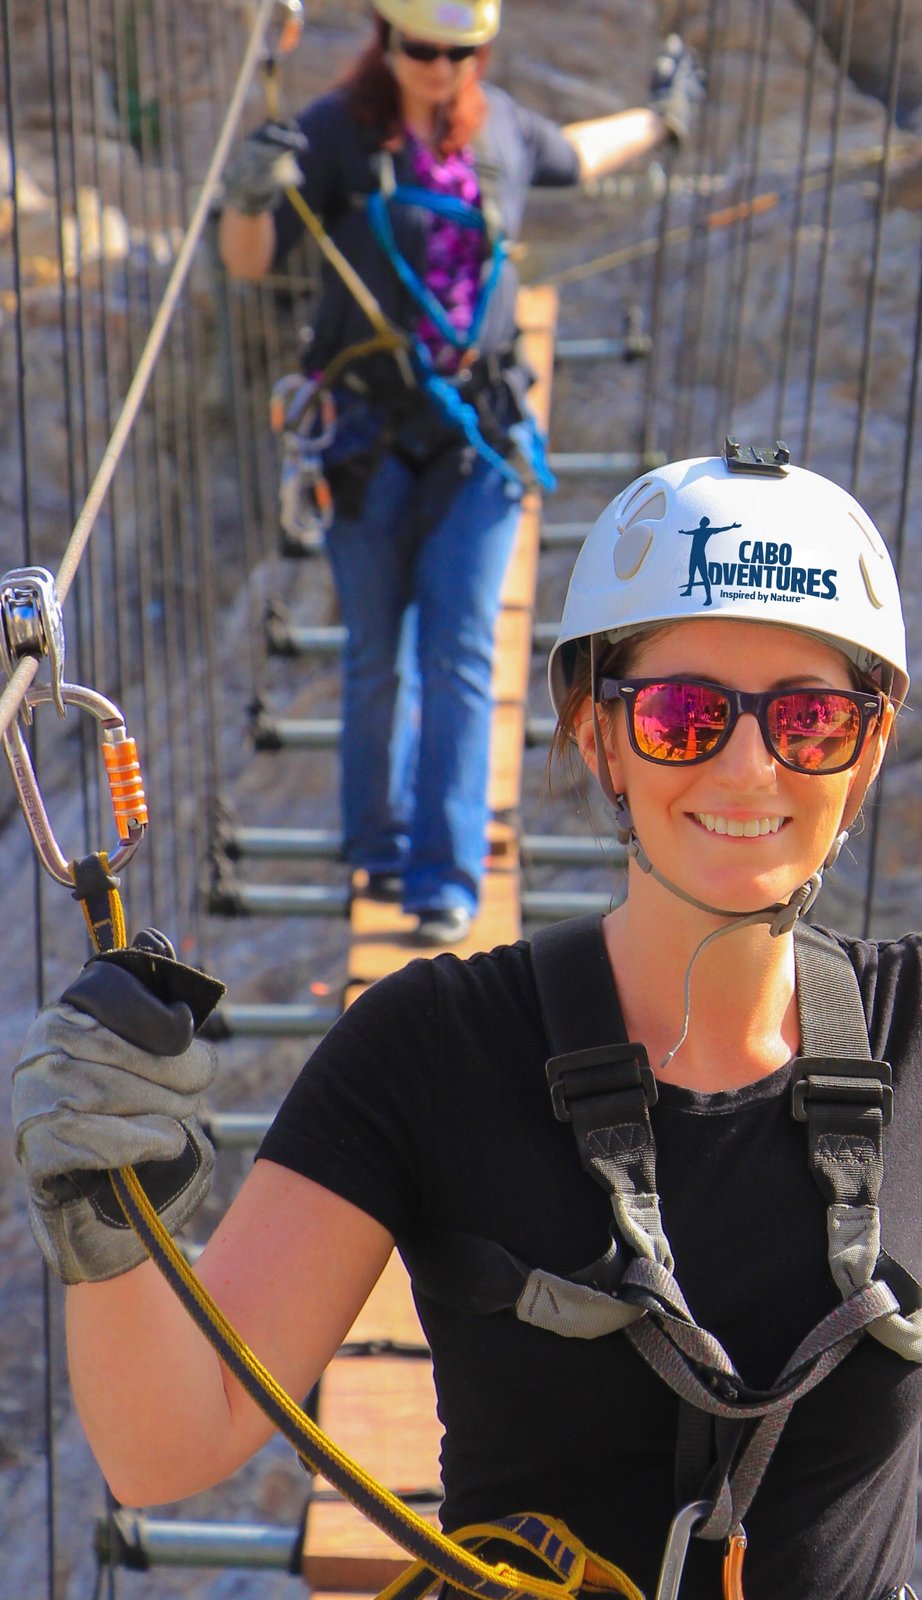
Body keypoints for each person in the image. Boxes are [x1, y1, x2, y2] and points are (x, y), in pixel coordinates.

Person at [13, 446, 922, 1600]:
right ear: (594, 728)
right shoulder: (430, 1051)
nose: (748, 768)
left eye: (808, 718)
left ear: (865, 752)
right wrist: (104, 1217)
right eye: (681, 716)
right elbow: (173, 1441)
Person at [217, 0, 701, 946]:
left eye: (462, 52)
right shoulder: (333, 134)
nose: (440, 69)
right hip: (364, 436)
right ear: (384, 41)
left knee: (463, 653)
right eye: (422, 49)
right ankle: (378, 848)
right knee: (375, 658)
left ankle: (443, 879)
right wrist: (245, 196)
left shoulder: (506, 130)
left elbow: (577, 154)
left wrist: (661, 118)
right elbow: (252, 258)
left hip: (477, 433)